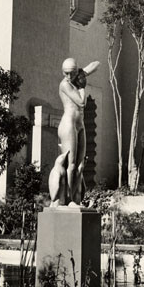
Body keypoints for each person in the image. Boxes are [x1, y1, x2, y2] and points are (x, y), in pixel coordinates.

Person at [58, 58, 100, 207]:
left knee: (81, 165)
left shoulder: (76, 77)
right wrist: (82, 86)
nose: (69, 76)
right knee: (71, 164)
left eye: (72, 73)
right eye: (66, 73)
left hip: (80, 124)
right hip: (68, 124)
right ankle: (69, 199)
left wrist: (83, 72)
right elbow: (81, 102)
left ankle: (76, 199)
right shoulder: (65, 84)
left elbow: (96, 64)